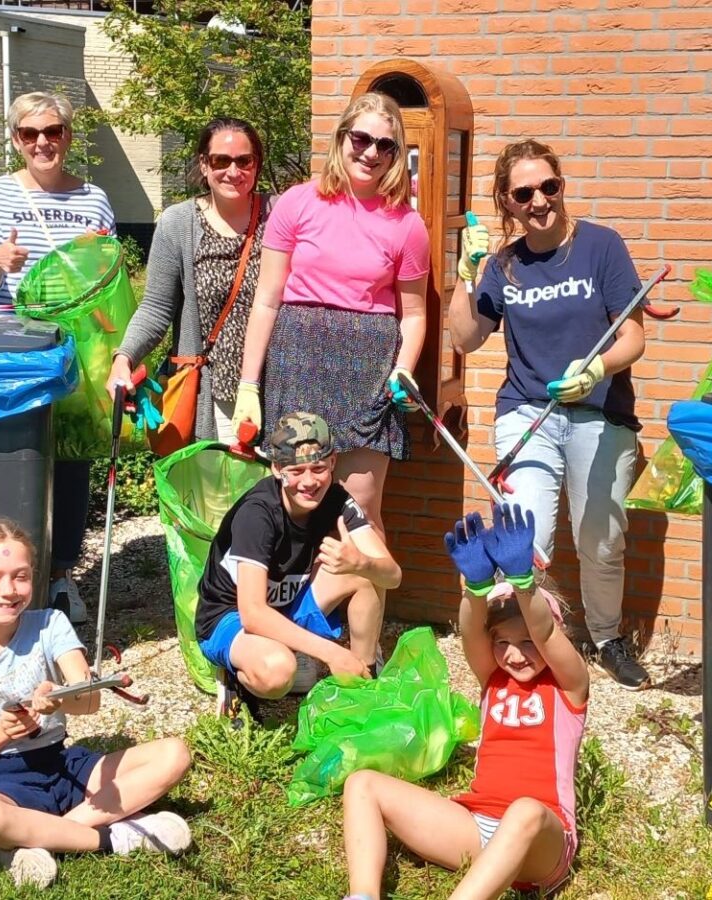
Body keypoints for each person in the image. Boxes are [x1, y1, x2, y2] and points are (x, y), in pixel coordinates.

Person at [448, 139, 652, 690]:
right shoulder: (505, 265)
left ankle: (607, 638)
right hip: (528, 412)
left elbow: (633, 334)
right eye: (523, 193)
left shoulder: (601, 247)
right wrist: (466, 276)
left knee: (601, 540)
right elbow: (465, 338)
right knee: (526, 531)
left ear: (561, 185)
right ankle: (522, 640)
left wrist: (597, 368)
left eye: (549, 187)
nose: (539, 200)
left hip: (598, 412)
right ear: (507, 203)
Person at [0, 518, 193, 889]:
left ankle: (32, 839)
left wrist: (61, 701)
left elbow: (90, 700)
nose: (8, 590)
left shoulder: (51, 624)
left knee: (174, 754)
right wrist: (1, 733)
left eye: (20, 576)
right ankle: (112, 838)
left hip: (62, 764)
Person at [341, 504, 590, 900]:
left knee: (524, 810)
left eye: (527, 643)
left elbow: (544, 632)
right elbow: (472, 631)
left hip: (542, 837)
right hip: (476, 828)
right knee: (362, 784)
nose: (515, 654)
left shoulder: (568, 687)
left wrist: (523, 583)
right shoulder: (492, 679)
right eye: (503, 643)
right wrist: (476, 589)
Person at [232, 92, 430, 528]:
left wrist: (403, 368)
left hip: (367, 372)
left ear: (397, 155)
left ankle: (364, 595)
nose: (371, 152)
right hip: (296, 362)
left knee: (358, 515)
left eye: (386, 145)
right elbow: (266, 298)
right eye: (361, 138)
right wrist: (249, 385)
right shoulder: (297, 203)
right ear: (341, 138)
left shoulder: (407, 225)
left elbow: (414, 314)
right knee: (291, 511)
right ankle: (295, 600)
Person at [0, 90, 117, 624]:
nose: (42, 142)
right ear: (15, 141)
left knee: (72, 460)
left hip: (74, 347)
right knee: (18, 456)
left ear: (69, 136)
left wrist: (111, 343)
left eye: (52, 131)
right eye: (29, 134)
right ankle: (9, 577)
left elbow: (108, 275)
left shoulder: (94, 198)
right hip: (15, 346)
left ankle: (60, 579)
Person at [195, 413, 401, 720]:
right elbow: (252, 614)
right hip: (229, 618)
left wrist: (361, 562)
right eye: (296, 471)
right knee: (278, 671)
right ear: (277, 469)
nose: (308, 482)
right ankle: (236, 678)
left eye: (318, 468)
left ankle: (361, 684)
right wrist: (330, 652)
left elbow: (393, 575)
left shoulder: (337, 500)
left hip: (283, 603)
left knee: (366, 576)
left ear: (333, 462)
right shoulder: (258, 514)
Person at [112, 118, 271, 445]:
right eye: (220, 161)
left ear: (257, 164)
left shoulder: (278, 214)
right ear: (203, 163)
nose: (233, 171)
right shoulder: (178, 223)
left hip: (276, 388)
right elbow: (156, 308)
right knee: (222, 494)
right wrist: (124, 358)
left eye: (244, 161)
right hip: (212, 393)